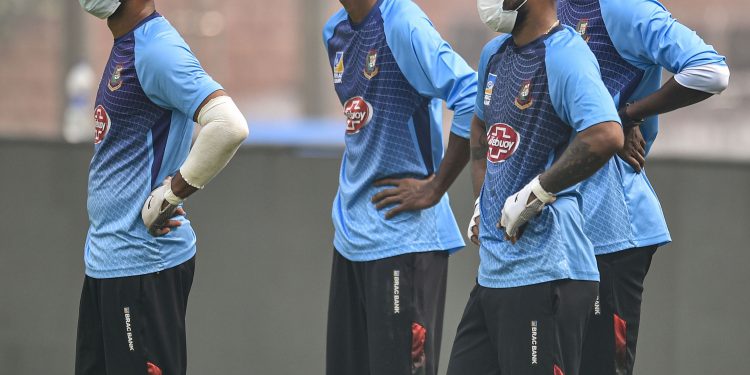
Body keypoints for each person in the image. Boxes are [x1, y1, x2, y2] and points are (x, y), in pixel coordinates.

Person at [449, 0, 624, 373]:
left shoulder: (565, 55)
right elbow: (480, 125)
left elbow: (606, 134)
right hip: (494, 273)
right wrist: (484, 198)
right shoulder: (493, 55)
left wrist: (535, 194)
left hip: (549, 271)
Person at [556, 1, 730, 373]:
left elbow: (711, 71)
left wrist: (627, 115)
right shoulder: (550, 9)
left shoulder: (622, 8)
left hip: (612, 227)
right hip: (561, 223)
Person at [75, 1, 249, 374]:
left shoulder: (157, 50)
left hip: (141, 268)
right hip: (108, 264)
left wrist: (171, 194)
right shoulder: (129, 44)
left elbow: (228, 125)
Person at [322, 0, 478, 373]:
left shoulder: (402, 23)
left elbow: (471, 95)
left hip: (404, 239)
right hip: (350, 238)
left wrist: (436, 186)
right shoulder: (334, 30)